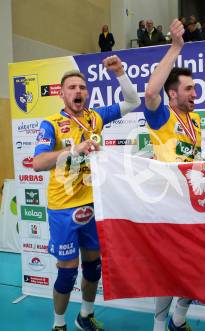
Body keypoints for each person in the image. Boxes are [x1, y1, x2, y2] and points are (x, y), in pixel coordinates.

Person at [32, 55, 141, 331]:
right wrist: (72, 150)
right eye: (72, 88)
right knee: (67, 273)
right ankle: (59, 325)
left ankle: (85, 316)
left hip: (94, 204)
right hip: (64, 208)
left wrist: (120, 74)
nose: (78, 92)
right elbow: (37, 163)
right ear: (62, 93)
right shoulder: (51, 124)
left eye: (82, 87)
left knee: (94, 268)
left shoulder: (95, 117)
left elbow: (133, 102)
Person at [143, 19, 200, 330]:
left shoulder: (197, 123)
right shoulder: (163, 117)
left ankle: (179, 320)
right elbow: (151, 91)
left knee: (195, 267)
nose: (194, 93)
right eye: (188, 89)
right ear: (173, 95)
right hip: (166, 207)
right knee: (167, 272)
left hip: (191, 205)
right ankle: (159, 325)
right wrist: (176, 48)